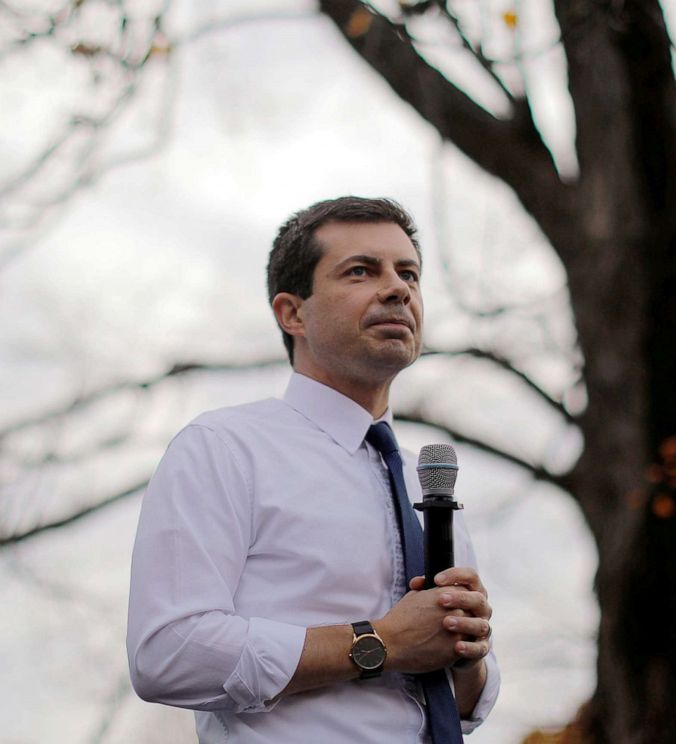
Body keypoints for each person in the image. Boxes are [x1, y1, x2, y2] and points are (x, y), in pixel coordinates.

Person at [126, 197, 499, 743]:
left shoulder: (428, 477)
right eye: (361, 271)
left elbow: (463, 703)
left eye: (409, 273)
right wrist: (382, 642)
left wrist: (465, 652)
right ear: (292, 313)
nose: (398, 289)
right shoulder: (225, 448)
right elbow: (169, 653)